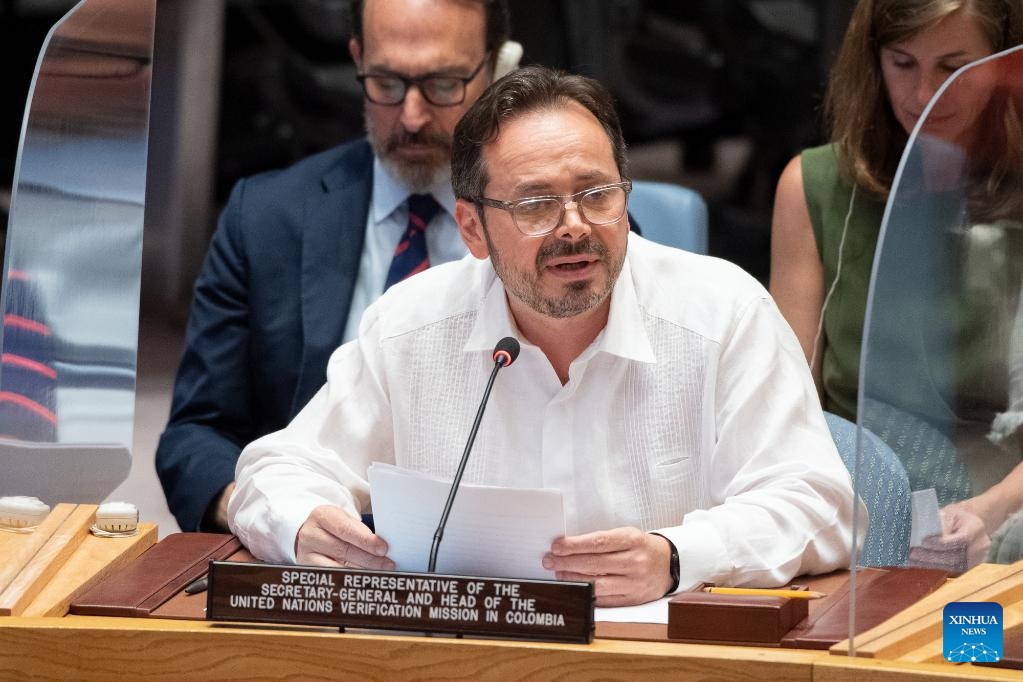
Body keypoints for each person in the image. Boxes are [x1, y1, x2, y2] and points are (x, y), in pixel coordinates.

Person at [229, 66, 858, 607]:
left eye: (597, 194)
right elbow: (277, 469)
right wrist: (304, 525)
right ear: (472, 229)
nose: (574, 227)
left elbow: (821, 504)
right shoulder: (409, 327)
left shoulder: (724, 314)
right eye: (535, 205)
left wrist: (676, 556)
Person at [156, 0, 512, 533]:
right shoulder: (266, 218)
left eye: (443, 84)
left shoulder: (566, 225)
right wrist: (269, 517)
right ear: (357, 58)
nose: (412, 117)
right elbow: (195, 435)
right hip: (310, 549)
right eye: (386, 83)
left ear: (496, 67)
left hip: (498, 544)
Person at [769, 0, 1023, 564]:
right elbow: (787, 405)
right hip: (860, 501)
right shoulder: (813, 185)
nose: (924, 93)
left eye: (954, 67)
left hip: (1006, 506)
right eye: (903, 63)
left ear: (1004, 64)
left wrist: (995, 508)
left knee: (982, 610)